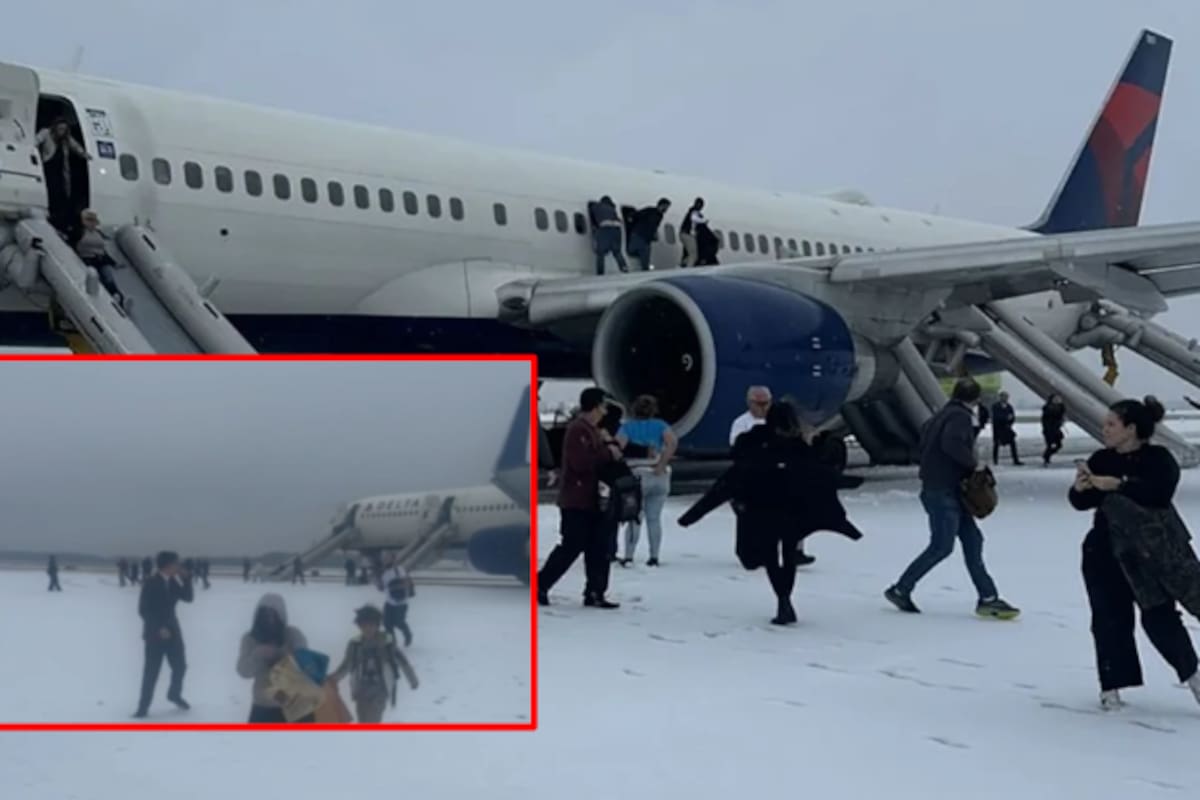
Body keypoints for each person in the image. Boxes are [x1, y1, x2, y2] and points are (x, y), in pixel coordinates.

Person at [679, 399, 865, 624]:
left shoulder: (754, 443)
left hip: (763, 510)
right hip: (792, 511)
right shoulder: (798, 448)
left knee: (769, 556)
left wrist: (693, 515)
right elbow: (820, 474)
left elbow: (731, 479)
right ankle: (784, 599)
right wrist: (846, 481)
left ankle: (782, 599)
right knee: (787, 554)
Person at [1069, 396, 1200, 710]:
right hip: (1104, 549)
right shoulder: (1101, 458)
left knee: (1159, 616)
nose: (1105, 429)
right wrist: (1081, 489)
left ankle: (1193, 675)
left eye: (1112, 424)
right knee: (1108, 618)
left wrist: (1118, 484)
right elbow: (1081, 503)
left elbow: (1158, 494)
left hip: (1149, 553)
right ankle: (1111, 686)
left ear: (1131, 428)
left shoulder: (1158, 459)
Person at [885, 377, 1020, 619]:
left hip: (943, 490)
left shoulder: (939, 416)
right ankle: (900, 588)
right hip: (944, 491)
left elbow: (932, 444)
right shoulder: (959, 417)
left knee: (972, 541)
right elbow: (952, 443)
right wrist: (973, 465)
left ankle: (988, 597)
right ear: (975, 400)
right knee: (942, 546)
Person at [537, 387, 623, 609]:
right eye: (602, 406)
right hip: (577, 499)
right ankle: (541, 583)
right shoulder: (578, 430)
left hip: (594, 498)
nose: (604, 411)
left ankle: (595, 591)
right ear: (594, 406)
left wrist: (609, 445)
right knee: (571, 546)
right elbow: (581, 463)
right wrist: (607, 453)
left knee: (598, 548)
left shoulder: (593, 430)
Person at [728, 386, 816, 566]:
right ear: (749, 403)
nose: (762, 407)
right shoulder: (742, 423)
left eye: (766, 403)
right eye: (758, 403)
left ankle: (795, 550)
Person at [327, 605, 419, 724]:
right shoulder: (355, 644)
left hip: (380, 688)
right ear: (359, 626)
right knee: (363, 719)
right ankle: (366, 740)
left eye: (371, 625)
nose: (368, 629)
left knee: (373, 720)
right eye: (364, 626)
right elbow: (347, 664)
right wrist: (333, 678)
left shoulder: (386, 642)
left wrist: (412, 679)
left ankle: (372, 740)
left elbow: (402, 661)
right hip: (361, 688)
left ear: (377, 625)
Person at [616, 395, 677, 566]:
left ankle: (629, 555)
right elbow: (672, 442)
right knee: (654, 518)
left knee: (634, 517)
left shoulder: (627, 427)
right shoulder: (661, 425)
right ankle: (654, 556)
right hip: (659, 473)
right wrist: (662, 463)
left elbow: (619, 447)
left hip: (637, 474)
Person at [236, 593, 313, 723]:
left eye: (273, 615)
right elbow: (243, 671)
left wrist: (281, 654)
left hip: (294, 705)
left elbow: (307, 667)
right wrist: (257, 654)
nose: (269, 620)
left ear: (281, 615)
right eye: (265, 615)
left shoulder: (292, 635)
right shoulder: (250, 639)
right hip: (263, 706)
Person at [134, 551, 193, 717]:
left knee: (180, 666)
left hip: (173, 632)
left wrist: (187, 579)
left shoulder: (174, 581)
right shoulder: (151, 582)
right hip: (154, 634)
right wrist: (159, 628)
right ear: (168, 565)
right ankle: (142, 707)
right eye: (176, 563)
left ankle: (174, 694)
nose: (179, 566)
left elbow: (188, 598)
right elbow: (143, 610)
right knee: (151, 671)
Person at [36, 118, 91, 235]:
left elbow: (75, 146)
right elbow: (37, 140)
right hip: (49, 166)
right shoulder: (46, 133)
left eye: (64, 129)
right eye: (60, 128)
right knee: (50, 191)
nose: (62, 131)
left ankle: (59, 221)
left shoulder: (66, 140)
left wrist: (84, 154)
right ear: (55, 127)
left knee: (61, 195)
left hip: (60, 171)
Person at [71, 209, 128, 308]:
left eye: (93, 221)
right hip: (88, 259)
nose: (92, 224)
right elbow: (72, 243)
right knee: (97, 280)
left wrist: (114, 263)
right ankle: (108, 301)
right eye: (90, 221)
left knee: (109, 279)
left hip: (101, 260)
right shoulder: (79, 232)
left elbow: (103, 251)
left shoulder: (98, 233)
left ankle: (119, 298)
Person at [378, 557, 415, 647]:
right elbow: (382, 588)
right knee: (387, 624)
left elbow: (407, 582)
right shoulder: (383, 573)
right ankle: (391, 643)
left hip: (401, 602)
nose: (385, 560)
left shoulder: (399, 570)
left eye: (387, 558)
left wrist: (402, 587)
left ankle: (408, 635)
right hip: (389, 602)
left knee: (398, 622)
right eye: (384, 558)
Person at [628, 198, 670, 271]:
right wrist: (631, 218)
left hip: (646, 239)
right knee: (633, 251)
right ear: (661, 205)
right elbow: (637, 214)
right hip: (639, 235)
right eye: (666, 207)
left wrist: (654, 234)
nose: (666, 209)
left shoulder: (660, 216)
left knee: (645, 260)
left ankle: (644, 270)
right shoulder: (650, 210)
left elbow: (654, 226)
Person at [590, 196, 628, 275]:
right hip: (617, 229)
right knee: (617, 251)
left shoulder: (597, 206)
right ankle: (624, 267)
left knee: (600, 252)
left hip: (605, 228)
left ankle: (600, 272)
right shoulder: (612, 209)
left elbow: (594, 217)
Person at [990, 391, 1022, 466]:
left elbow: (1012, 417)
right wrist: (1006, 418)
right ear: (1000, 397)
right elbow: (996, 417)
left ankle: (1015, 460)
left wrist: (1009, 421)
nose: (1005, 398)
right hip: (998, 428)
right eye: (1003, 397)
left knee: (1013, 443)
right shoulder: (995, 406)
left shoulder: (1009, 406)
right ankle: (995, 460)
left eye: (1006, 397)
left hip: (1007, 428)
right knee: (996, 444)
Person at [679, 198, 707, 267]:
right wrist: (704, 221)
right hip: (687, 235)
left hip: (684, 234)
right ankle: (688, 269)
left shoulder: (692, 211)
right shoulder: (694, 212)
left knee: (692, 255)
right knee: (693, 255)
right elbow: (694, 218)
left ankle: (683, 263)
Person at [1041, 394, 1066, 466]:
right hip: (1049, 430)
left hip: (1056, 429)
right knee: (1049, 445)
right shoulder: (1048, 408)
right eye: (1056, 399)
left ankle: (1046, 456)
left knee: (1058, 445)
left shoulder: (1061, 407)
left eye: (1059, 399)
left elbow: (1061, 416)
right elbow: (1046, 420)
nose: (1058, 400)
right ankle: (1046, 459)